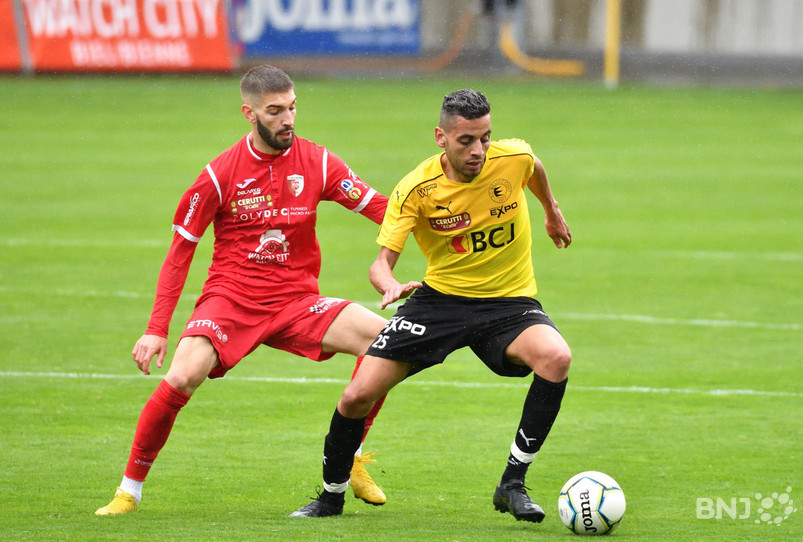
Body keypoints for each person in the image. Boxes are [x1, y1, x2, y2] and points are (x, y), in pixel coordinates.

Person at [95, 65, 390, 515]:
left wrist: (447, 225)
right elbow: (180, 253)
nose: (287, 119)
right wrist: (156, 329)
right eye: (275, 111)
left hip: (297, 302)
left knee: (386, 343)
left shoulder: (319, 161)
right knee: (182, 376)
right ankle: (128, 492)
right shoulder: (218, 175)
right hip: (231, 301)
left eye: (292, 107)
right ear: (248, 113)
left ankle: (348, 457)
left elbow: (384, 210)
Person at [291, 89, 572, 521]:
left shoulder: (510, 158)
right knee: (356, 396)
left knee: (556, 357)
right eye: (466, 141)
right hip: (439, 302)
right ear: (441, 137)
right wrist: (388, 285)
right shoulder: (416, 189)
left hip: (508, 302)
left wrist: (551, 210)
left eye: (484, 137)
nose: (478, 150)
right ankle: (330, 497)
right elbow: (381, 263)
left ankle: (512, 484)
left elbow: (533, 167)